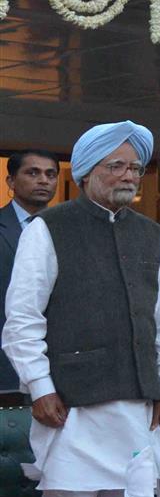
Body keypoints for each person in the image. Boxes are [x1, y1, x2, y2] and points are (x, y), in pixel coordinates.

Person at [3, 121, 160, 497]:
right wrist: (39, 386)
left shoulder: (152, 234)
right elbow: (21, 318)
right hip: (72, 402)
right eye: (117, 166)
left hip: (137, 400)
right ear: (85, 172)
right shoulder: (49, 228)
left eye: (135, 167)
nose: (128, 176)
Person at [1, 149, 58, 391]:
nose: (44, 180)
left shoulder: (69, 230)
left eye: (51, 174)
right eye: (33, 173)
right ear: (11, 181)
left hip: (56, 359)